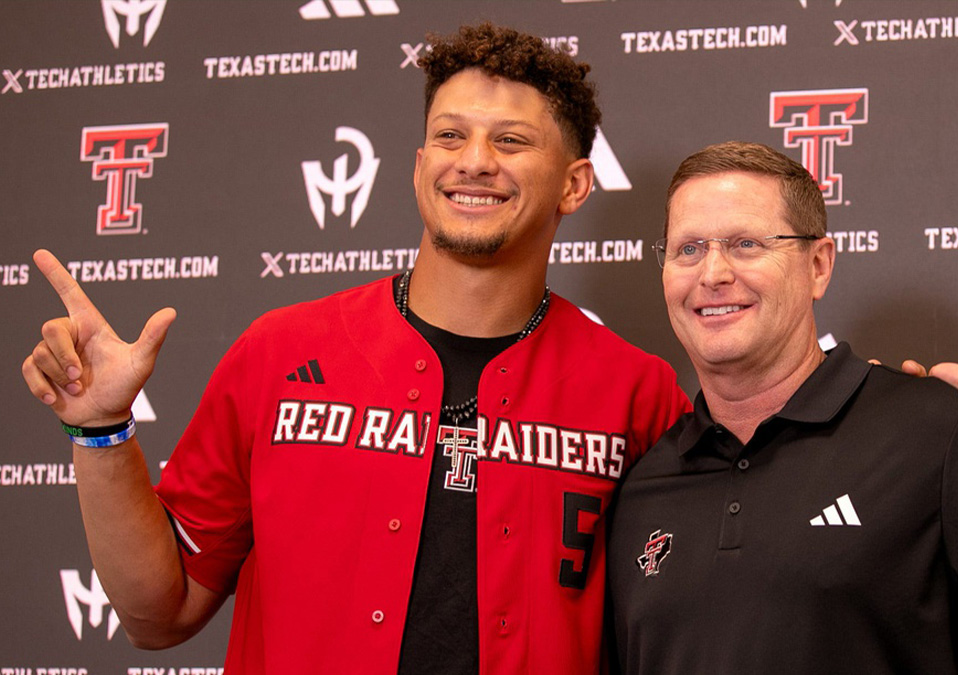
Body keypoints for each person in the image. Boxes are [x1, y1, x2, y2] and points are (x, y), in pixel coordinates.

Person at [22, 24, 689, 674]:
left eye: (511, 140)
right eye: (450, 135)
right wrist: (100, 429)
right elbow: (158, 612)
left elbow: (678, 623)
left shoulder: (638, 391)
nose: (476, 159)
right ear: (420, 166)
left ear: (574, 184)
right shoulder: (280, 352)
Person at [607, 141, 958, 674]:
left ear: (818, 266)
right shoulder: (644, 483)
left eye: (746, 244)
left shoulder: (934, 431)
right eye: (688, 249)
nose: (712, 274)